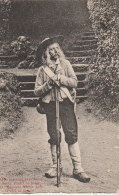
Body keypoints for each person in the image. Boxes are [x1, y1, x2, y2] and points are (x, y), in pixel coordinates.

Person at [34, 35, 90, 183]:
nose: (55, 51)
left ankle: (78, 169)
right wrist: (48, 85)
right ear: (45, 53)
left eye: (56, 48)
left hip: (65, 103)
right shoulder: (42, 70)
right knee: (54, 135)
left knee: (71, 133)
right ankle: (55, 166)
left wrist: (60, 79)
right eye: (51, 49)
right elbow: (36, 91)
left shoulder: (65, 64)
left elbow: (74, 82)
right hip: (50, 105)